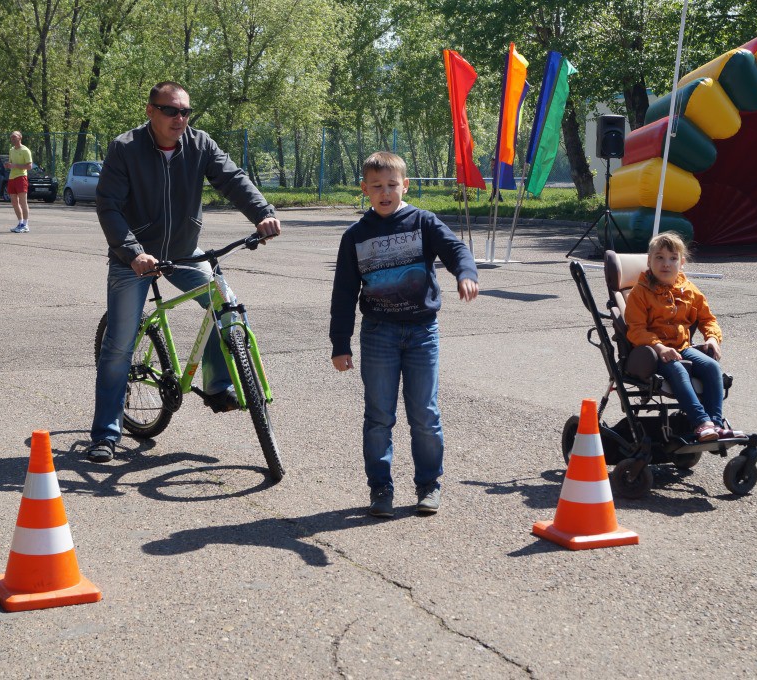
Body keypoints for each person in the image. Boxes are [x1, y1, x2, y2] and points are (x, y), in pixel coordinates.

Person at [86, 80, 281, 463]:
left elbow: (233, 179)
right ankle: (106, 434)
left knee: (224, 305)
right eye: (170, 110)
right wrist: (133, 253)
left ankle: (217, 385)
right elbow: (108, 206)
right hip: (134, 257)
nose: (179, 118)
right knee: (120, 346)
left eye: (185, 111)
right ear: (151, 111)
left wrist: (263, 213)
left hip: (182, 250)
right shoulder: (125, 148)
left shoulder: (200, 144)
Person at [329, 151, 479, 518]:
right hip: (378, 333)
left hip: (421, 331)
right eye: (377, 186)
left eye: (392, 185)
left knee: (424, 414)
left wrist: (465, 273)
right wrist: (340, 343)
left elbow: (456, 249)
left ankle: (429, 484)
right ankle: (380, 488)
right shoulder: (356, 235)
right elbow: (344, 293)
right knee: (379, 416)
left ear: (405, 185)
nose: (385, 193)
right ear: (364, 189)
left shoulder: (422, 222)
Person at [624, 231, 739, 442]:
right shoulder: (639, 293)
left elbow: (708, 319)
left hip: (682, 347)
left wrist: (712, 338)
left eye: (673, 258)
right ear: (649, 261)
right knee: (678, 369)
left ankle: (716, 424)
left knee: (712, 366)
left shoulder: (689, 290)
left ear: (682, 263)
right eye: (659, 257)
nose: (666, 264)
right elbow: (636, 330)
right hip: (652, 353)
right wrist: (659, 347)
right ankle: (701, 423)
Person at [6, 131, 31, 233]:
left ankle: (25, 225)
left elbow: (29, 166)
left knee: (23, 202)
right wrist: (8, 165)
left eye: (14, 137)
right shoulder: (11, 150)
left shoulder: (25, 150)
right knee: (14, 202)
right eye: (11, 137)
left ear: (20, 137)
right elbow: (11, 163)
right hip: (12, 178)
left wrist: (16, 165)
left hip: (21, 177)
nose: (12, 139)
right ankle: (20, 223)